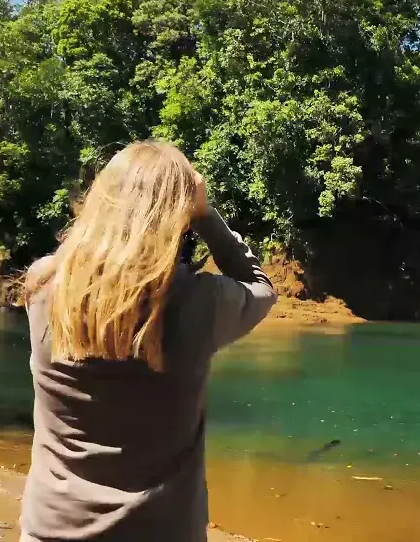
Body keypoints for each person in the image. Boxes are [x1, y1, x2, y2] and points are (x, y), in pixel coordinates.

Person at [19, 140, 277, 541]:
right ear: (182, 215)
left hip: (49, 530)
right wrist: (207, 217)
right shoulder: (199, 302)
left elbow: (87, 263)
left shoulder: (44, 284)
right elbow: (259, 287)